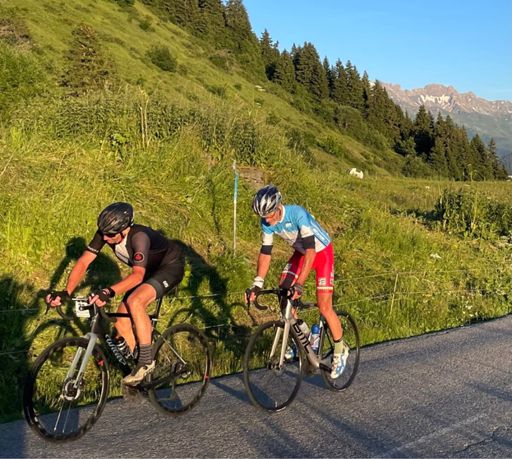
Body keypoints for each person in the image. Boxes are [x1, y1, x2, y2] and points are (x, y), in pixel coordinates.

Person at [46, 202, 185, 386]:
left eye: (110, 235)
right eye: (103, 233)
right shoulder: (106, 232)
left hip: (169, 267)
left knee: (135, 302)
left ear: (124, 229)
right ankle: (139, 373)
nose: (105, 237)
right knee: (121, 321)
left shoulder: (139, 237)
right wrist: (66, 291)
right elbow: (84, 262)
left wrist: (108, 292)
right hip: (146, 271)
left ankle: (146, 361)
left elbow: (137, 276)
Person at [247, 185, 349, 378]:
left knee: (324, 306)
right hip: (301, 254)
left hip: (321, 253)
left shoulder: (297, 214)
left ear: (278, 207)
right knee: (283, 293)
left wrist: (300, 284)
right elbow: (266, 253)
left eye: (269, 215)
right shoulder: (266, 222)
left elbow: (311, 251)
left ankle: (340, 348)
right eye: (263, 217)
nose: (267, 220)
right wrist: (257, 283)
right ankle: (303, 337)